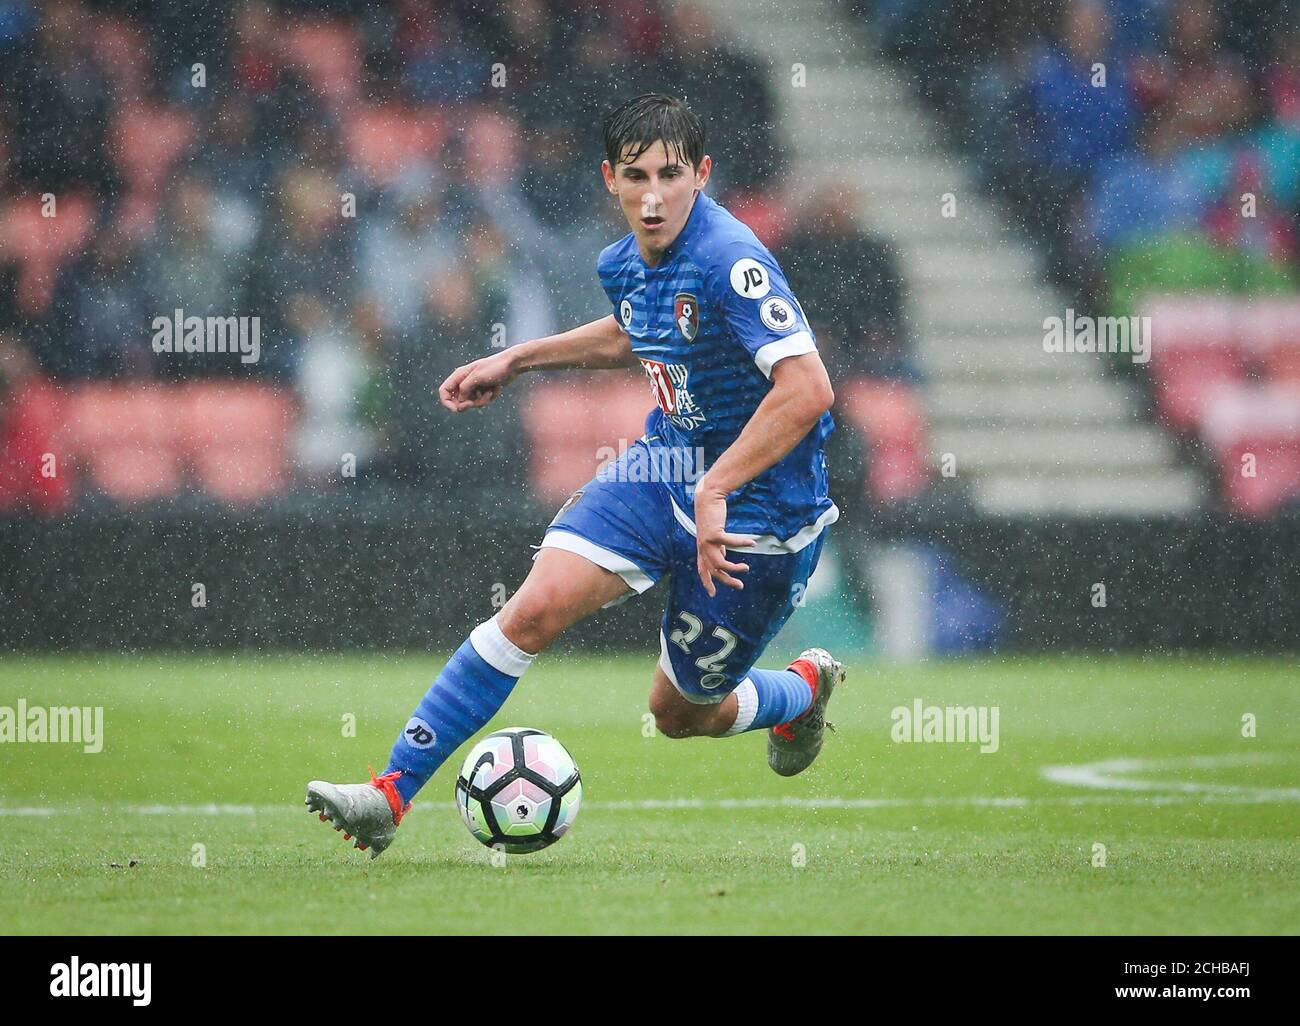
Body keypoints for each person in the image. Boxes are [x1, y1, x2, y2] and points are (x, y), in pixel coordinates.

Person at [306, 94, 844, 857]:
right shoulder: (622, 261)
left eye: (670, 174)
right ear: (609, 180)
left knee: (680, 713)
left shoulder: (733, 259)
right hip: (662, 472)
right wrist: (517, 359)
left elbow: (808, 388)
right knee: (532, 610)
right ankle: (390, 792)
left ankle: (799, 693)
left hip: (762, 513)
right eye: (635, 176)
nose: (652, 195)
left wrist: (718, 485)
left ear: (702, 175)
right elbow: (634, 333)